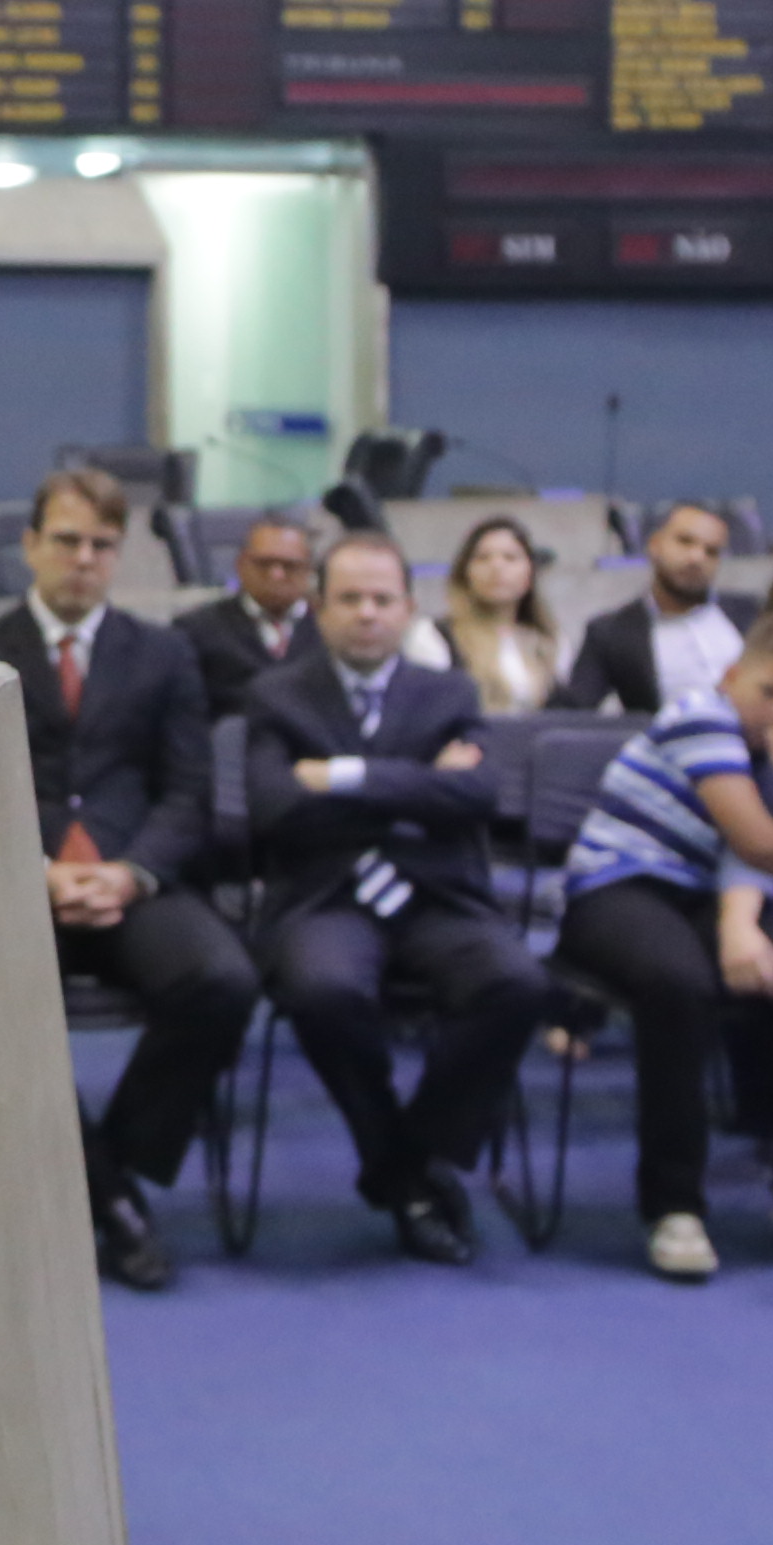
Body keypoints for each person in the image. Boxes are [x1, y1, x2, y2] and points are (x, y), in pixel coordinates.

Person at [0, 468, 257, 1292]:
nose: (84, 559)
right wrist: (38, 873)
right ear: (30, 545)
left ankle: (105, 1169)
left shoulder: (164, 653)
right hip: (19, 881)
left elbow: (188, 791)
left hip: (131, 876)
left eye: (102, 545)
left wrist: (130, 873)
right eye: (67, 541)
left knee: (223, 981)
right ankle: (117, 1207)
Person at [236, 531, 549, 1262]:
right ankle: (412, 1179)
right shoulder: (277, 695)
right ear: (319, 607)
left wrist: (340, 777)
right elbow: (273, 806)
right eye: (350, 599)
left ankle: (405, 1162)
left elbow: (476, 794)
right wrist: (421, 784)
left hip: (437, 895)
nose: (367, 613)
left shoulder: (449, 691)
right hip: (328, 896)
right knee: (322, 992)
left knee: (517, 984)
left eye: (382, 599)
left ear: (409, 608)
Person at [548, 620, 773, 1280]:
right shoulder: (700, 715)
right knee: (680, 984)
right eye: (771, 693)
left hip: (703, 895)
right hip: (615, 889)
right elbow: (760, 845)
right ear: (731, 679)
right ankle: (673, 1206)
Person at [554, 496, 740, 717]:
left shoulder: (751, 617)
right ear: (655, 545)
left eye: (711, 551)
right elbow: (572, 714)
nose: (697, 557)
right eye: (685, 542)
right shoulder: (612, 633)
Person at [410, 511, 564, 716]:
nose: (496, 567)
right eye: (483, 558)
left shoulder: (551, 641)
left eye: (510, 558)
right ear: (465, 573)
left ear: (530, 573)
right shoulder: (435, 636)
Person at [179, 509, 318, 689]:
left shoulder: (330, 629)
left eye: (289, 565)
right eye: (264, 564)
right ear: (240, 565)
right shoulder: (196, 630)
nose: (276, 575)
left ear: (309, 570)